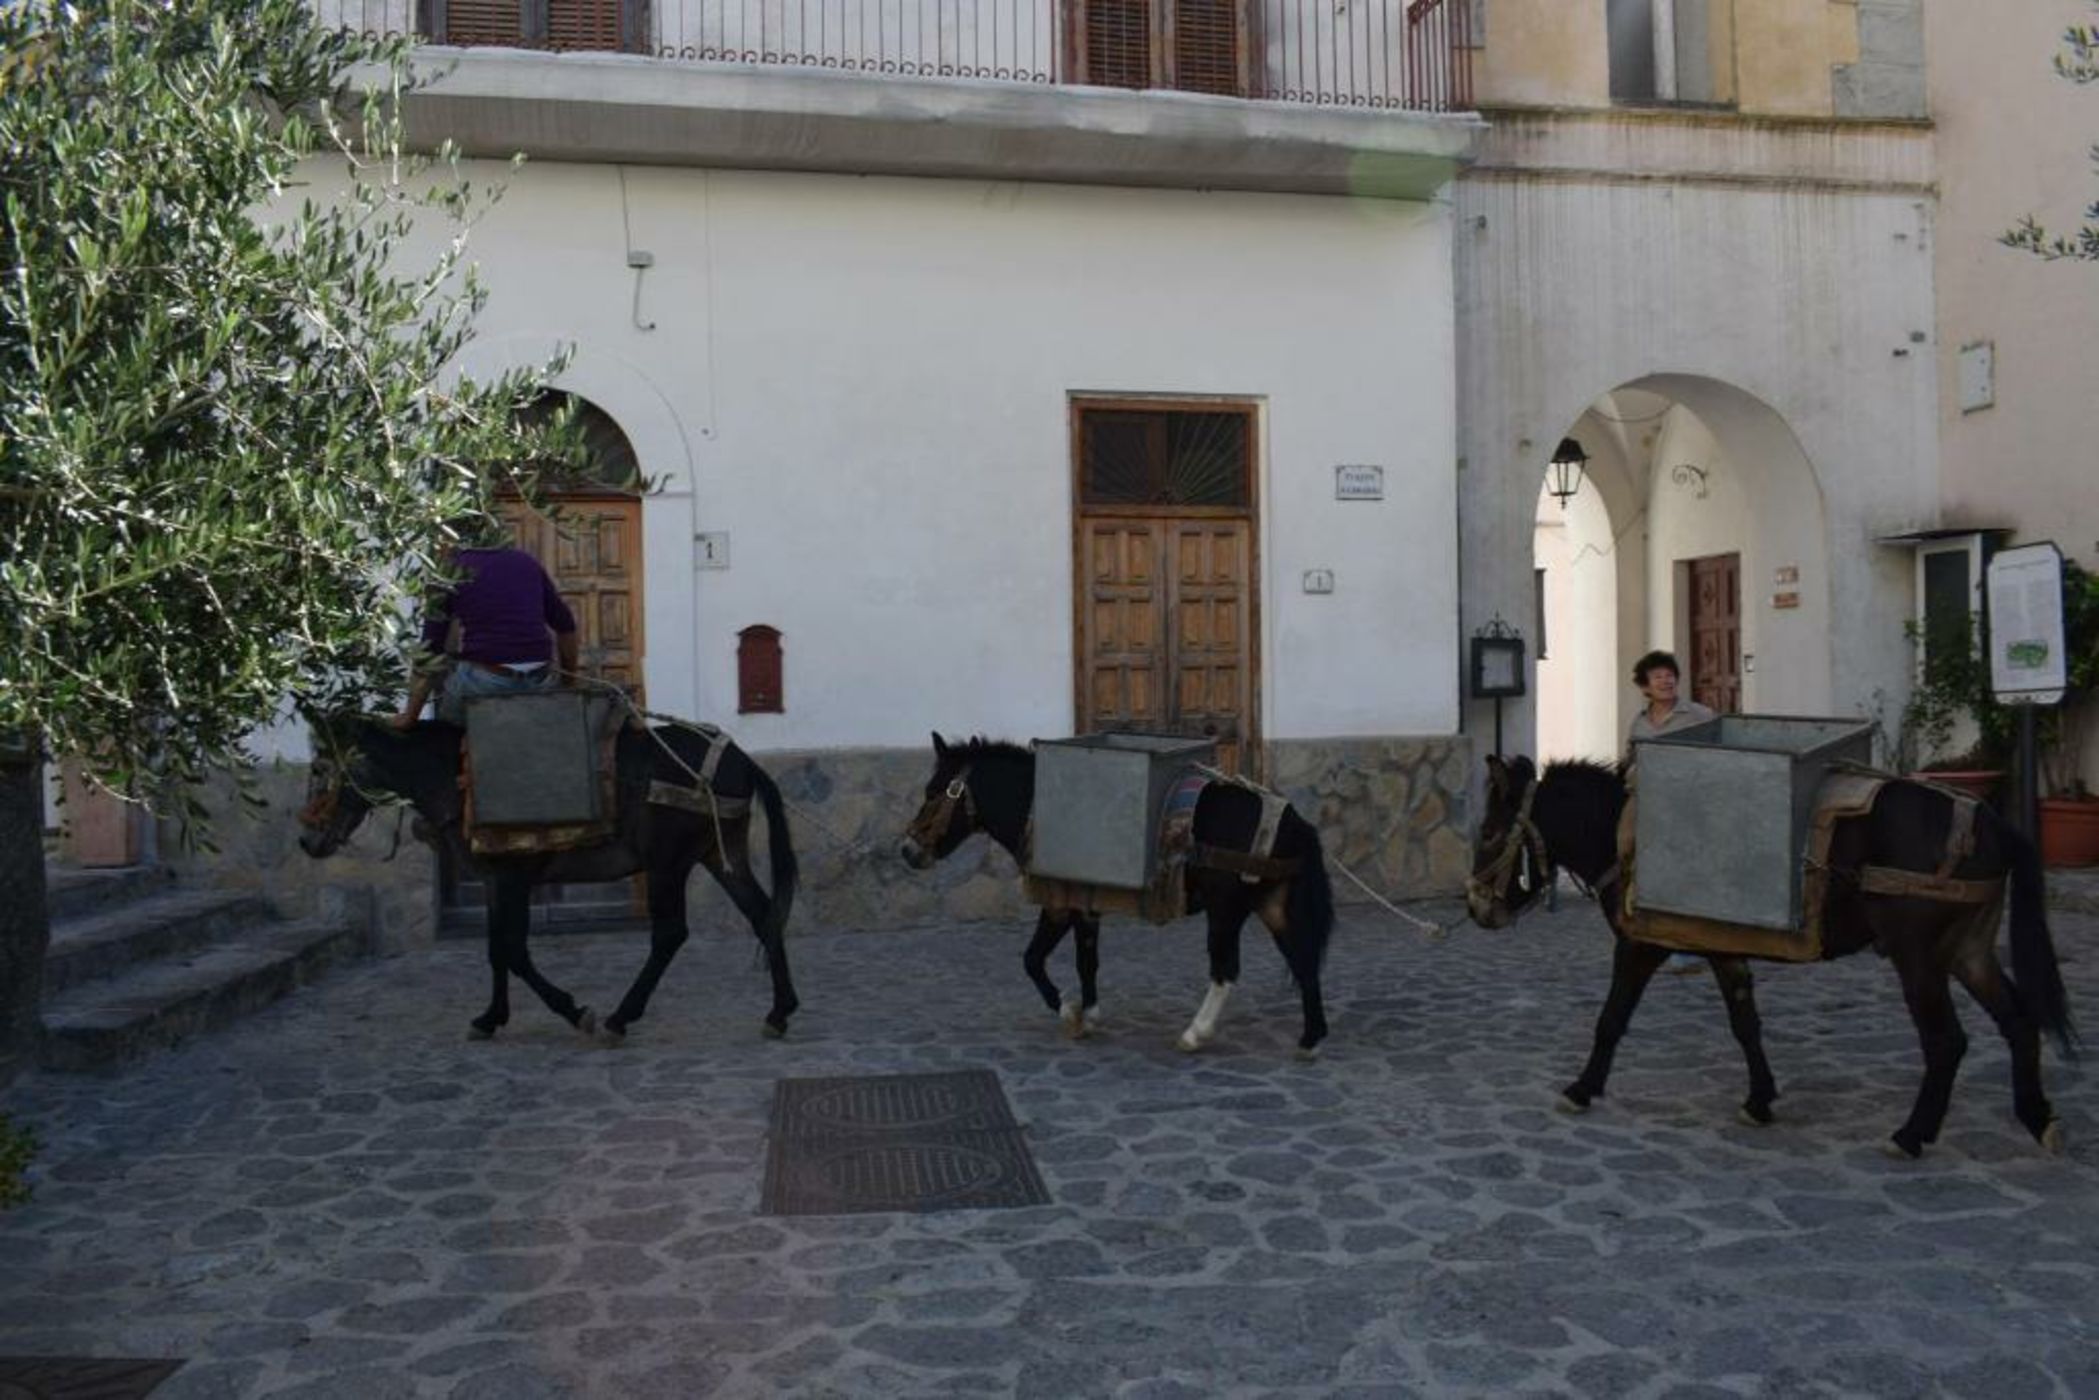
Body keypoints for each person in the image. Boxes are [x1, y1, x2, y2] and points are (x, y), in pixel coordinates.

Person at [395, 538, 580, 729]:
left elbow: (430, 648)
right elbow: (566, 626)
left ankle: (459, 746)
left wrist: (410, 716)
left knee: (446, 729)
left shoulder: (449, 573)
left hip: (485, 679)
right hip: (538, 678)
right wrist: (568, 684)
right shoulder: (526, 561)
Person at [1625, 649, 1716, 974]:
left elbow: (1717, 762)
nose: (1666, 681)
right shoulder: (1640, 722)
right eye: (1658, 677)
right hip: (1651, 809)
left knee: (1688, 875)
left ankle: (1692, 945)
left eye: (1670, 675)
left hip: (1689, 808)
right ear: (1645, 687)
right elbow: (1631, 761)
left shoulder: (1700, 716)